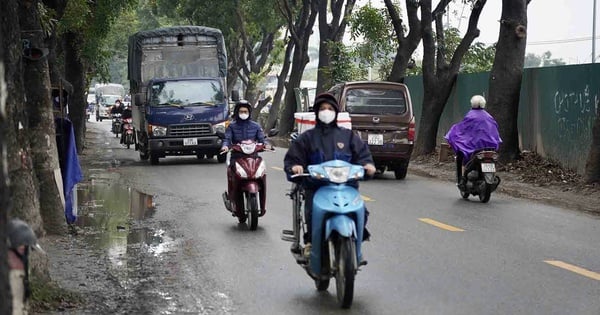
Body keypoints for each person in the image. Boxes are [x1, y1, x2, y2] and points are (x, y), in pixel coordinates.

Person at [284, 93, 376, 258]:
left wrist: (367, 165)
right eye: (323, 109)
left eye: (330, 108)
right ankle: (311, 242)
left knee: (362, 211)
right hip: (317, 186)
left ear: (336, 112)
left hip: (346, 187)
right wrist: (296, 167)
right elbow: (294, 158)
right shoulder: (307, 138)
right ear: (317, 112)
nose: (326, 112)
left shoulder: (348, 137)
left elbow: (362, 155)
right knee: (312, 212)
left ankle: (355, 242)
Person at [220, 100, 269, 214]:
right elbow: (227, 139)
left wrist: (266, 145)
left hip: (253, 157)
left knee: (262, 175)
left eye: (245, 111)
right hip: (237, 157)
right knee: (233, 174)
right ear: (237, 112)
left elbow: (262, 139)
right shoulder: (232, 126)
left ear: (249, 112)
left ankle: (262, 207)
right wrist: (225, 146)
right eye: (241, 111)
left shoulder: (256, 126)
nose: (243, 113)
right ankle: (232, 200)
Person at [444, 95, 502, 189]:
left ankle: (462, 179)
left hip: (473, 148)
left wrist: (452, 133)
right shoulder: (489, 117)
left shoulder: (470, 116)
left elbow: (462, 129)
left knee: (463, 158)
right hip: (490, 147)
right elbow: (494, 130)